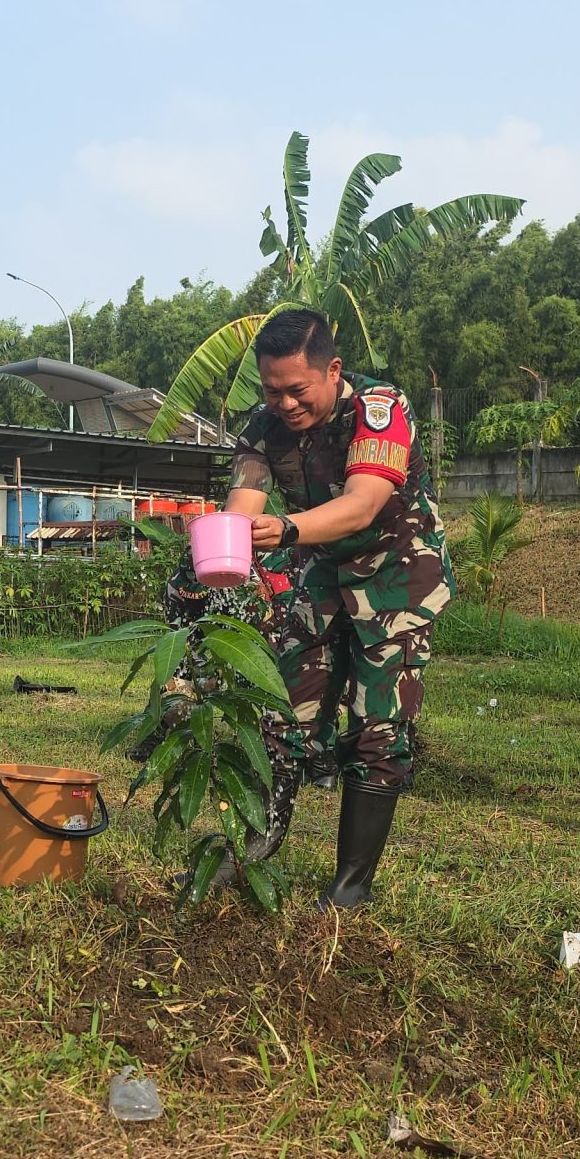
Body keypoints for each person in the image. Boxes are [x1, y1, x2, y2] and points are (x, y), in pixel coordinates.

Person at [225, 307, 452, 910]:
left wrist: (286, 528)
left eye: (297, 389)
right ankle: (250, 852)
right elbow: (244, 505)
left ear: (333, 370)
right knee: (283, 710)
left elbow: (361, 505)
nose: (285, 404)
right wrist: (226, 544)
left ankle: (351, 886)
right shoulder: (263, 429)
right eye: (271, 391)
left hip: (396, 577)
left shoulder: (379, 409)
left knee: (377, 723)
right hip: (323, 576)